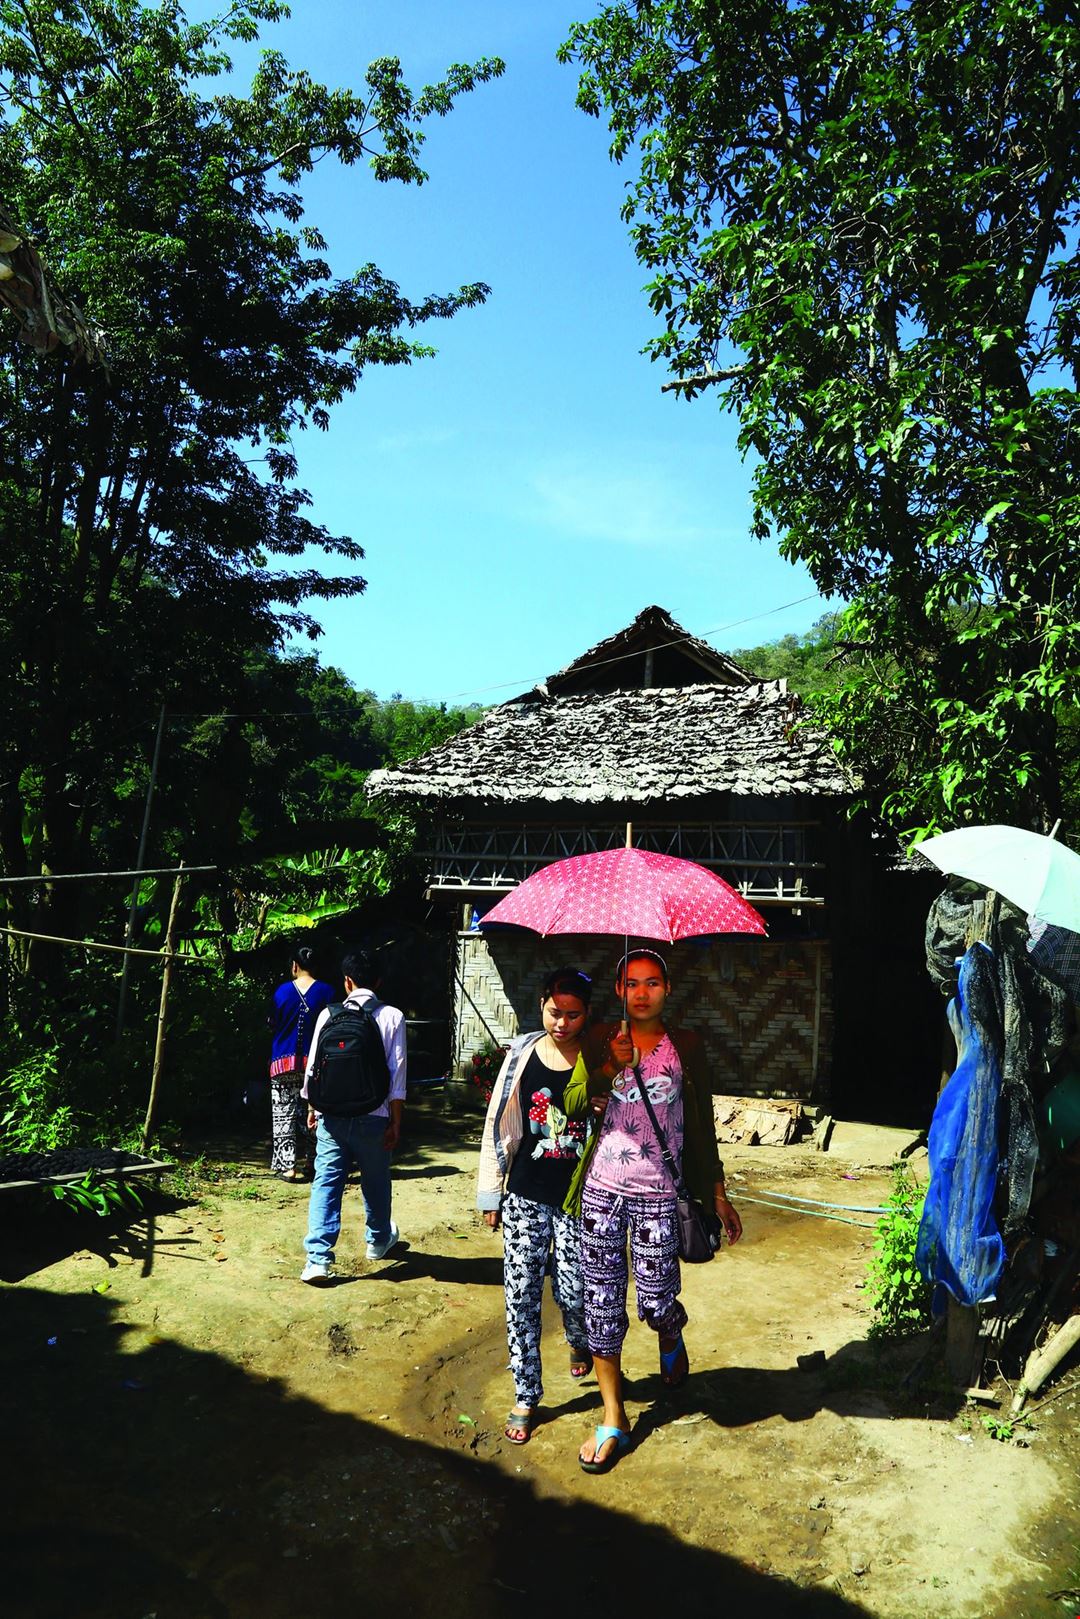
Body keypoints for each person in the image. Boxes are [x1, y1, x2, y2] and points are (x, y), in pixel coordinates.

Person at [563, 949, 743, 1474]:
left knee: (657, 1298)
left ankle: (670, 1329)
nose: (642, 993)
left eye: (652, 983)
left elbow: (701, 1126)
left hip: (660, 1194)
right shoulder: (599, 1037)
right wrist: (606, 1066)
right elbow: (573, 1103)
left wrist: (717, 1191)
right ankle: (614, 1415)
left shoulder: (686, 1046)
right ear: (619, 989)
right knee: (600, 1305)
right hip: (600, 1191)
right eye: (632, 983)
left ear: (668, 988)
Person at [477, 967, 594, 1444]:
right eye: (554, 1012)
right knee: (520, 1292)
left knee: (573, 1289)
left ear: (587, 1014)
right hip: (525, 1193)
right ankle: (526, 1392)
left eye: (573, 1014)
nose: (562, 1023)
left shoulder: (601, 1057)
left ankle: (579, 1338)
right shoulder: (522, 1054)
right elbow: (497, 1122)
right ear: (542, 1003)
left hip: (579, 1200)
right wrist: (491, 1191)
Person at [299, 950, 406, 1284]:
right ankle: (377, 1240)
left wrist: (312, 1108)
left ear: (347, 982)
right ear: (378, 982)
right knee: (375, 1181)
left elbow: (313, 1067)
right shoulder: (392, 1016)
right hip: (374, 1114)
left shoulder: (328, 1015)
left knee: (326, 1183)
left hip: (331, 1115)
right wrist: (396, 1121)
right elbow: (397, 1074)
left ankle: (317, 1259)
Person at [267, 947, 335, 1182]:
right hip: (315, 1065)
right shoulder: (327, 991)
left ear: (294, 966)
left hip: (282, 1063)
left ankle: (288, 1167)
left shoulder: (282, 991)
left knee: (283, 1114)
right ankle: (312, 1163)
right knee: (314, 1113)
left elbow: (272, 1023)